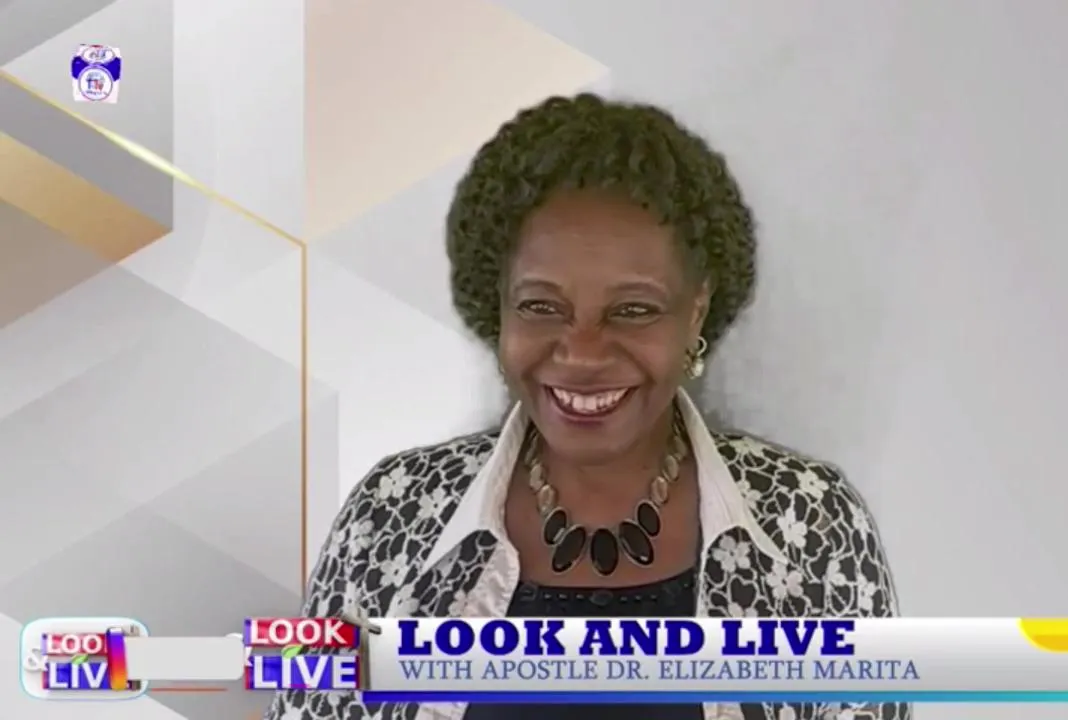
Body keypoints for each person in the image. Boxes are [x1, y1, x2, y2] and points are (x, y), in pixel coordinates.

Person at [265, 93, 908, 720]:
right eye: (541, 306)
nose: (581, 352)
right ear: (499, 309)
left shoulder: (811, 521)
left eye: (632, 310)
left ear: (696, 311)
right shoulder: (389, 512)